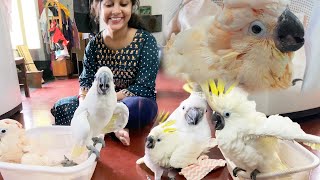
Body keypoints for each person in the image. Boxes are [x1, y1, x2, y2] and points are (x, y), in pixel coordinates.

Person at [51, 0, 160, 146]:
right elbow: (86, 82)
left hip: (129, 101)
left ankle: (104, 127)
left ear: (131, 7)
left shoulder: (146, 41)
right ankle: (115, 127)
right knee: (62, 107)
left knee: (140, 106)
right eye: (109, 5)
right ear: (98, 8)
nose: (116, 11)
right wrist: (84, 109)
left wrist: (107, 103)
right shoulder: (94, 45)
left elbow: (143, 87)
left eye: (123, 4)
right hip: (97, 104)